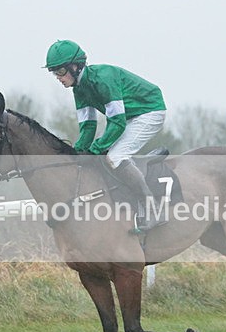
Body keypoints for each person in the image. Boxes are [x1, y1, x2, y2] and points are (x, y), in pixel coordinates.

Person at [44, 39, 167, 231]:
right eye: (54, 73)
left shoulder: (102, 79)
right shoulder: (79, 89)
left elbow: (117, 122)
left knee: (115, 156)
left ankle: (154, 209)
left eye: (60, 71)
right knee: (104, 153)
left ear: (75, 67)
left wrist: (94, 151)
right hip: (130, 117)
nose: (58, 77)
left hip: (149, 111)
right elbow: (88, 127)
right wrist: (76, 154)